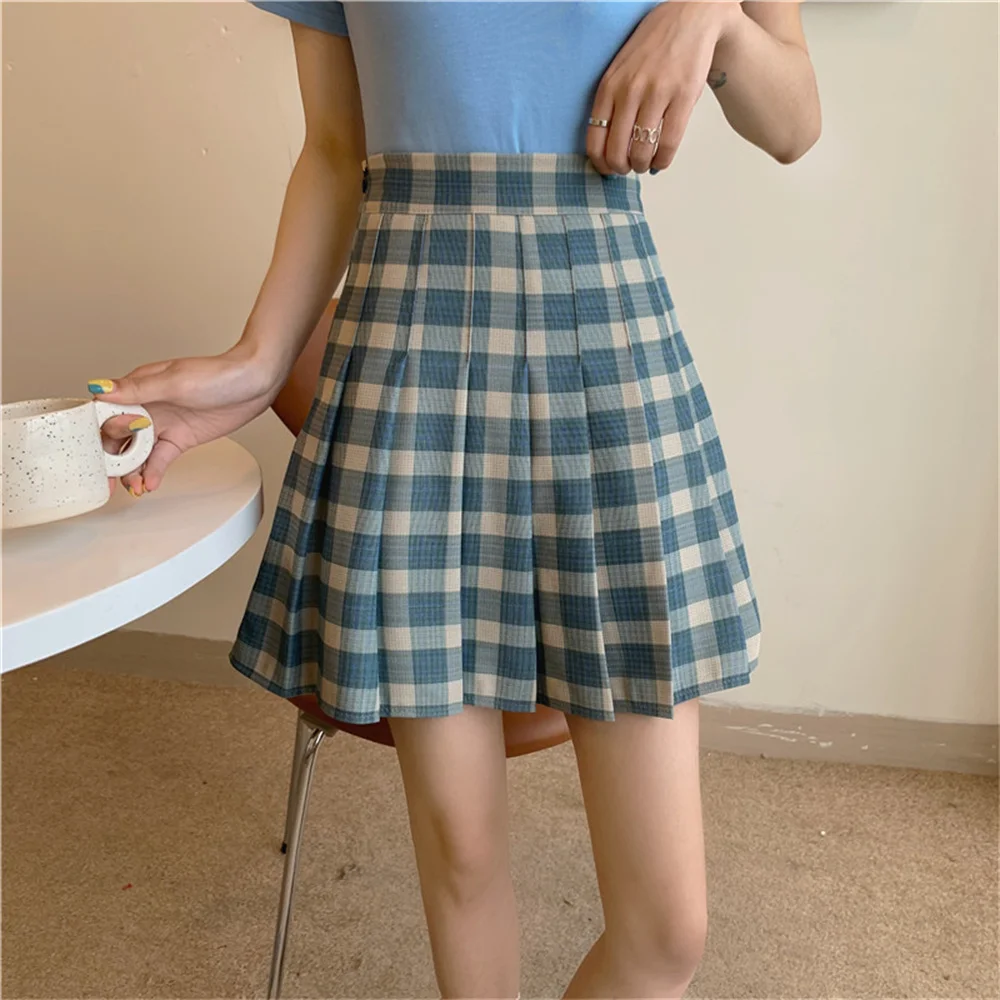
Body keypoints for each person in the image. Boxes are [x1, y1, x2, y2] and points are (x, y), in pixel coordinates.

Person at [93, 3, 820, 996]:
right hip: (409, 359)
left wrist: (712, 20)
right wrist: (257, 363)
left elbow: (793, 122)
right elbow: (335, 148)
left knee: (665, 933)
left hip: (604, 357)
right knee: (463, 861)